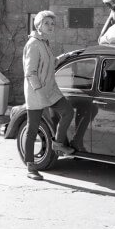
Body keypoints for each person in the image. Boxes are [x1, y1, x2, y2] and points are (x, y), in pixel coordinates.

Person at [23, 10, 78, 180]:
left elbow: (51, 63)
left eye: (52, 23)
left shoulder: (44, 42)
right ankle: (31, 167)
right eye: (46, 23)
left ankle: (58, 144)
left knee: (68, 111)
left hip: (50, 89)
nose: (50, 26)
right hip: (36, 92)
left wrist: (66, 56)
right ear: (38, 25)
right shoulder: (33, 43)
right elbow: (30, 72)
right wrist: (39, 91)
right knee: (32, 130)